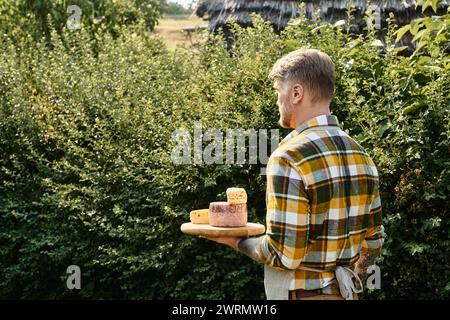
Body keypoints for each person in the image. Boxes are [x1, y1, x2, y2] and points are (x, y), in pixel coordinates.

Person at [206, 48, 386, 300]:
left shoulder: (288, 157)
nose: (277, 101)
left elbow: (284, 255)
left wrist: (238, 241)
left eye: (279, 92)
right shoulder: (362, 156)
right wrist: (347, 280)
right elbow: (374, 241)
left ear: (297, 93)